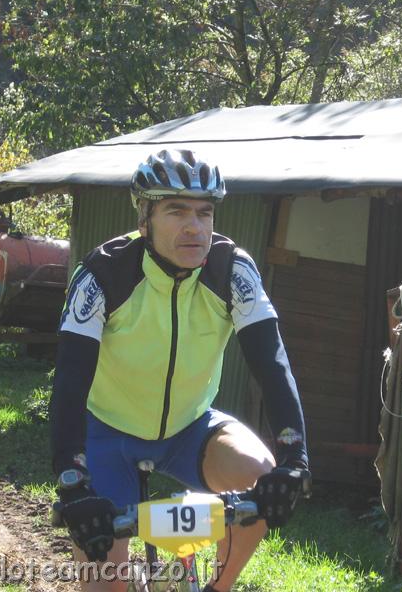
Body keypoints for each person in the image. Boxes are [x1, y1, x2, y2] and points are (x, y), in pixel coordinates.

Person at [49, 148, 310, 592]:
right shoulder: (101, 275)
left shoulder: (233, 270)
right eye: (176, 211)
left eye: (205, 213)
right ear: (144, 219)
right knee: (103, 585)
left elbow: (272, 362)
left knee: (262, 470)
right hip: (107, 433)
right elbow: (70, 384)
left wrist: (294, 458)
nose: (195, 227)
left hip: (191, 427)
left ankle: (216, 587)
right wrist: (73, 483)